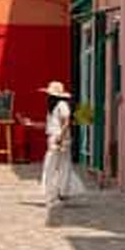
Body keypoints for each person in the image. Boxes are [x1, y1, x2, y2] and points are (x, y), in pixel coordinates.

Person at [38, 81, 85, 212]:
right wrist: (32, 124)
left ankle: (55, 195)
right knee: (60, 166)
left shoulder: (62, 105)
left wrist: (60, 137)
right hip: (56, 137)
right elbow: (51, 125)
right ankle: (59, 194)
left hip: (59, 139)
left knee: (52, 166)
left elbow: (66, 122)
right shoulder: (53, 108)